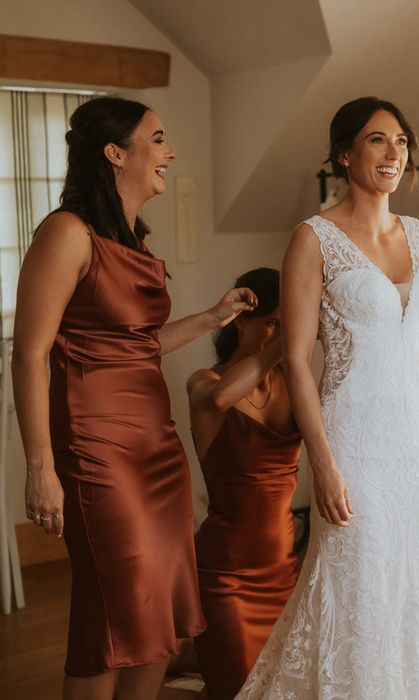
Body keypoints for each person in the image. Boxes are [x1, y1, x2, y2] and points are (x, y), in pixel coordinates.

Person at [235, 97, 419, 699]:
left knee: (411, 579)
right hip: (354, 439)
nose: (393, 153)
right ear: (345, 153)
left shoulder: (418, 233)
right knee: (355, 580)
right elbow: (295, 359)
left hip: (414, 442)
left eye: (401, 142)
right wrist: (322, 463)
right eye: (377, 140)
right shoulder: (312, 238)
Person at [12, 96, 256, 700]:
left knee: (163, 607)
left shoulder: (130, 239)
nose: (170, 153)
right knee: (113, 610)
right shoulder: (66, 233)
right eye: (159, 139)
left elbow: (134, 345)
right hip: (96, 449)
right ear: (116, 153)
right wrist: (41, 467)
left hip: (157, 446)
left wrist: (212, 317)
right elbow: (29, 354)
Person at [187, 268, 300, 700]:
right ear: (240, 320)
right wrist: (283, 346)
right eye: (271, 321)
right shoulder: (205, 381)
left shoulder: (293, 384)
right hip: (225, 576)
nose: (278, 332)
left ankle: (187, 661)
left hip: (284, 570)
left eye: (284, 322)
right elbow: (219, 400)